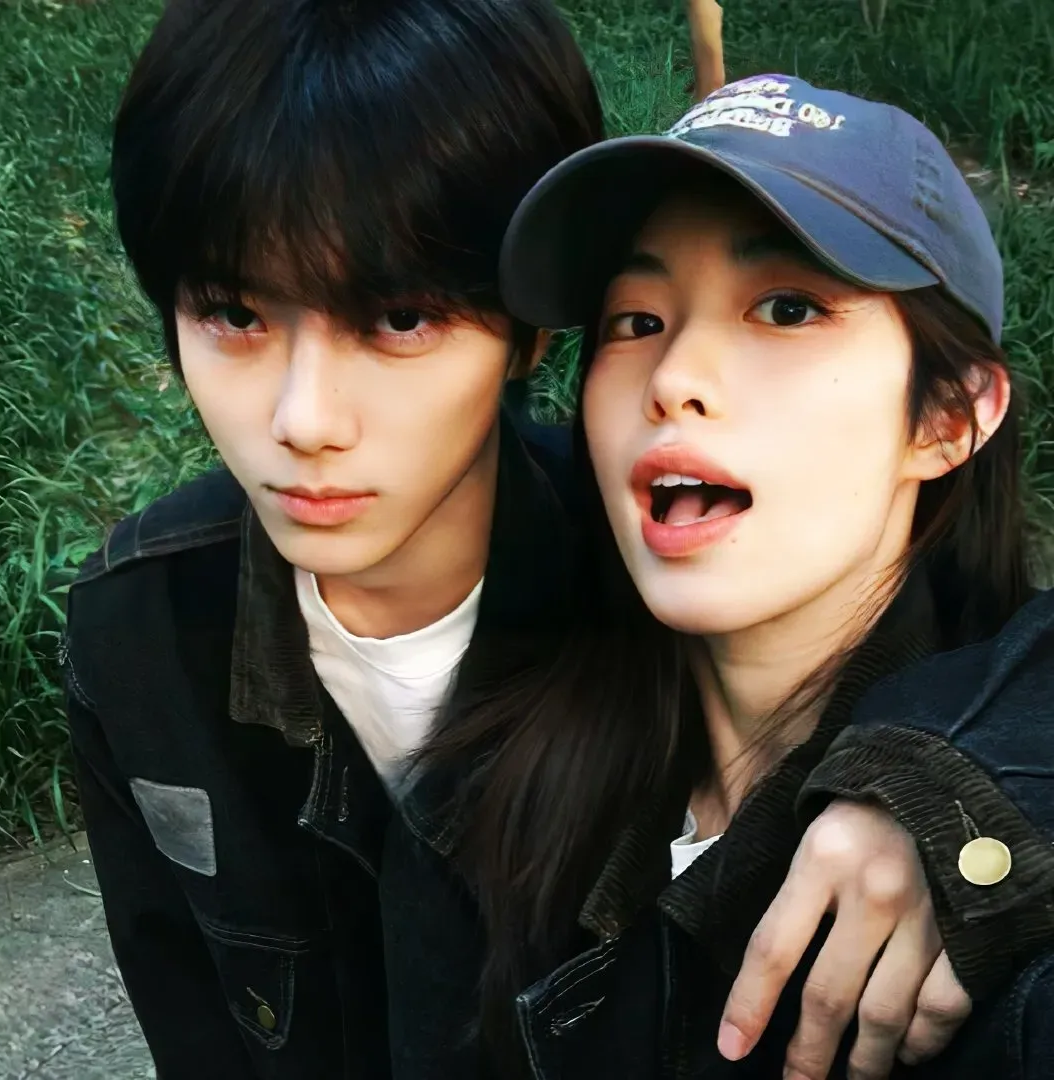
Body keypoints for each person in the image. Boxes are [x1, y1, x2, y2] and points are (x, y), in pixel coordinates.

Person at [62, 2, 1046, 1075]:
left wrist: (959, 798)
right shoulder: (505, 771)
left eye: (400, 317)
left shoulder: (657, 590)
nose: (304, 421)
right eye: (234, 313)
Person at [400, 74, 1054, 1078]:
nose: (673, 380)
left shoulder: (1006, 926)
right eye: (635, 321)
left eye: (787, 309)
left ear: (948, 417)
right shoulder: (488, 794)